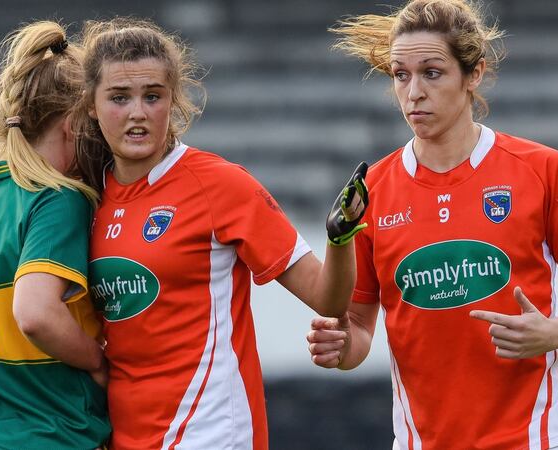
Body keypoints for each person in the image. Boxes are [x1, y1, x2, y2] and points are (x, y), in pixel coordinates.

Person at [306, 1, 558, 449]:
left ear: (473, 75)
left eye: (431, 72)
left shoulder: (542, 169)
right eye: (400, 74)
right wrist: (338, 347)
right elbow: (357, 326)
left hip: (539, 437)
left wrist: (556, 332)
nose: (413, 92)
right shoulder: (372, 189)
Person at [73, 18, 368, 450]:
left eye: (152, 96)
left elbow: (328, 298)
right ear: (92, 105)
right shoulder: (87, 197)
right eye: (120, 98)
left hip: (210, 433)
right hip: (126, 435)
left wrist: (339, 239)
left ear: (172, 101)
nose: (138, 112)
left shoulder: (219, 184)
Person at [0, 21, 110, 450]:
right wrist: (97, 359)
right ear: (74, 126)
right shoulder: (59, 198)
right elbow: (36, 314)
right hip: (37, 436)